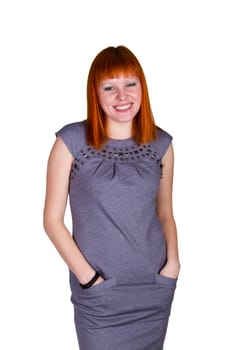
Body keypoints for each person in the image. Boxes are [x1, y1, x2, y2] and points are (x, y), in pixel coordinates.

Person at [43, 45, 180, 350]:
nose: (123, 96)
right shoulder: (71, 141)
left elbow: (165, 213)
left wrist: (173, 264)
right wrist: (89, 279)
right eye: (110, 87)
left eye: (130, 84)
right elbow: (52, 221)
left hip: (153, 288)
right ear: (96, 93)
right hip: (99, 295)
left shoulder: (161, 144)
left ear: (142, 87)